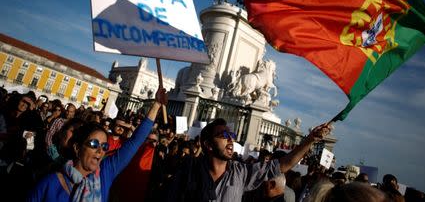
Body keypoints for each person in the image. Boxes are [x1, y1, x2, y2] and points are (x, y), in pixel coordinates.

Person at [27, 87, 168, 202]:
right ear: (77, 148)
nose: (100, 150)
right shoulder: (48, 182)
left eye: (105, 146)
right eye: (94, 143)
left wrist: (156, 105)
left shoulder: (106, 172)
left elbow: (135, 141)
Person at [165, 118, 331, 201]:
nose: (230, 139)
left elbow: (283, 164)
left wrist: (310, 140)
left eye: (231, 135)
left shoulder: (241, 172)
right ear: (208, 144)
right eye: (224, 135)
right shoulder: (189, 169)